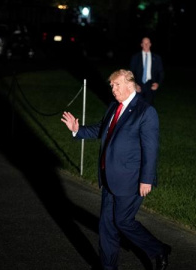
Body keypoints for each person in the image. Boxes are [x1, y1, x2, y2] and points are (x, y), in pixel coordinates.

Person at [61, 69, 171, 270]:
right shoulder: (113, 107)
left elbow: (151, 148)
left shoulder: (146, 112)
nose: (113, 89)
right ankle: (108, 267)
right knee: (106, 227)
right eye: (111, 86)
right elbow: (101, 129)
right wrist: (77, 130)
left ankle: (158, 249)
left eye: (117, 85)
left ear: (130, 85)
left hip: (132, 178)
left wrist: (146, 179)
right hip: (109, 177)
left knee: (123, 221)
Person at [130, 37, 164, 105]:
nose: (146, 45)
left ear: (150, 44)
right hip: (138, 84)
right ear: (141, 44)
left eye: (147, 43)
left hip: (151, 85)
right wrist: (134, 84)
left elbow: (161, 72)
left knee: (149, 106)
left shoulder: (156, 58)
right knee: (137, 105)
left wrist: (157, 83)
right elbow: (131, 73)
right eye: (144, 43)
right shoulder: (135, 57)